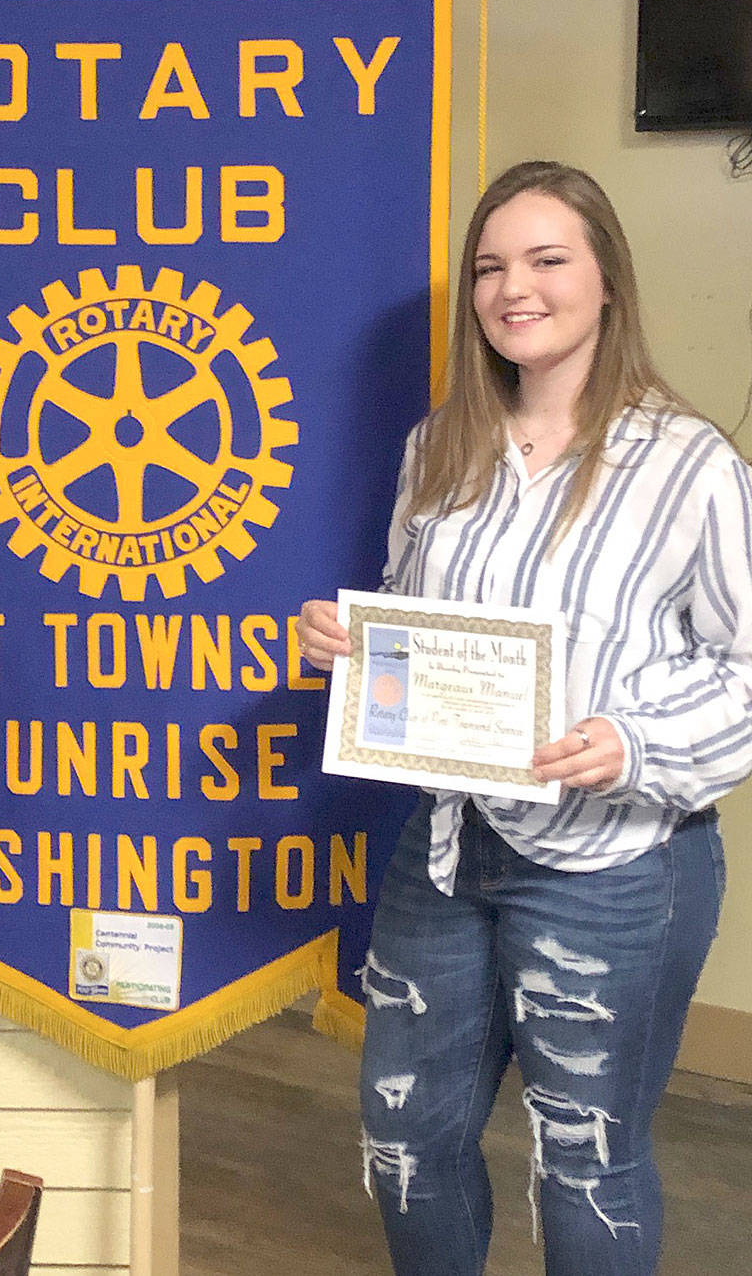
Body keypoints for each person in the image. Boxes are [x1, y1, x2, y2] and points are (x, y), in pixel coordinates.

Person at [298, 160, 752, 1276]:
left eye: (547, 259)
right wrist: (356, 651)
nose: (515, 288)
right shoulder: (438, 447)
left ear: (605, 279)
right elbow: (416, 627)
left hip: (614, 868)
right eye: (490, 266)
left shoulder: (688, 464)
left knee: (583, 1161)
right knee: (405, 1139)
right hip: (449, 848)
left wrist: (632, 744)